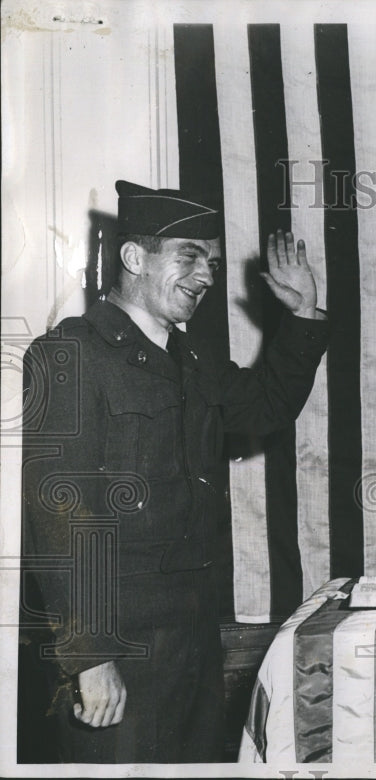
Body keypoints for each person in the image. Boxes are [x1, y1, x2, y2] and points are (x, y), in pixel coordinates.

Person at [20, 180, 329, 763]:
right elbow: (60, 514)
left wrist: (303, 315)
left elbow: (265, 406)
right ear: (134, 258)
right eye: (189, 255)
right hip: (118, 644)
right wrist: (90, 656)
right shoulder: (72, 355)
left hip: (193, 636)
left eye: (211, 261)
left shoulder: (191, 358)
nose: (207, 274)